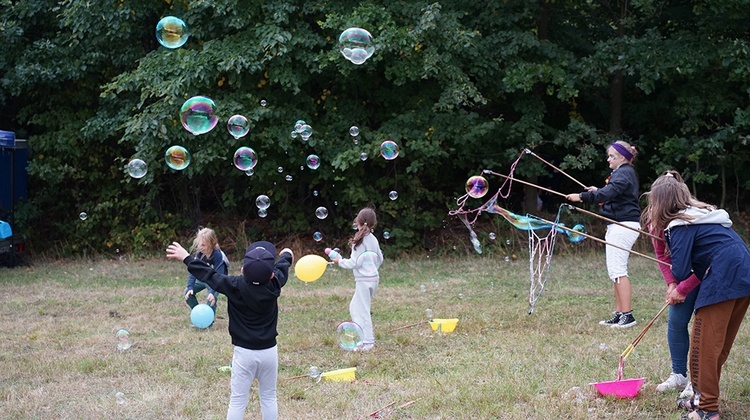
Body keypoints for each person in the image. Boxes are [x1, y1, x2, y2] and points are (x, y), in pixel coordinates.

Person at [646, 175, 750, 420]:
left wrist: (678, 287)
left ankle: (707, 409)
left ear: (660, 203)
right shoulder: (703, 216)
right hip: (744, 274)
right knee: (716, 345)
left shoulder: (680, 225)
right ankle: (699, 399)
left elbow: (682, 271)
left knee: (703, 347)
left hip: (723, 279)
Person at [167, 239, 294, 420]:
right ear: (271, 275)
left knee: (237, 400)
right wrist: (287, 253)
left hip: (244, 353)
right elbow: (282, 265)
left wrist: (187, 258)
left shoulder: (233, 285)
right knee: (268, 396)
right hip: (269, 352)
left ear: (242, 270)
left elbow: (208, 275)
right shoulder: (275, 283)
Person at [565, 140, 641, 328]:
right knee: (615, 272)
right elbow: (610, 193)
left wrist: (582, 196)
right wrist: (598, 191)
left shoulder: (624, 173)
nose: (608, 160)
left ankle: (627, 315)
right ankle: (619, 313)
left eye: (611, 156)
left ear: (622, 157)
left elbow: (610, 193)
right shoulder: (622, 173)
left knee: (619, 271)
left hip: (623, 226)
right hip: (618, 225)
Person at [642, 171, 703, 398]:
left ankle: (697, 381)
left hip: (705, 275)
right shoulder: (655, 220)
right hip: (683, 276)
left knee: (702, 326)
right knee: (676, 322)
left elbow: (707, 264)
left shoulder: (695, 219)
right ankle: (679, 374)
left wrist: (683, 287)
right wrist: (672, 284)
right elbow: (662, 255)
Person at [330, 207, 384, 351]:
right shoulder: (373, 239)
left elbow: (354, 263)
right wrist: (372, 268)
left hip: (363, 281)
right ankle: (363, 337)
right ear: (373, 224)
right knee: (355, 307)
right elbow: (380, 258)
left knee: (362, 309)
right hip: (373, 279)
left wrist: (339, 261)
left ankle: (368, 342)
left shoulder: (358, 241)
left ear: (358, 221)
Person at [183, 227, 229, 316]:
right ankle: (199, 314)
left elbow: (219, 277)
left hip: (217, 281)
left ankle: (209, 319)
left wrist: (212, 292)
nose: (200, 247)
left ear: (211, 244)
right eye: (199, 245)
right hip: (203, 278)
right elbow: (193, 271)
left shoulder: (218, 256)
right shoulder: (200, 254)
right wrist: (190, 287)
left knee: (211, 298)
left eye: (203, 245)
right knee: (188, 293)